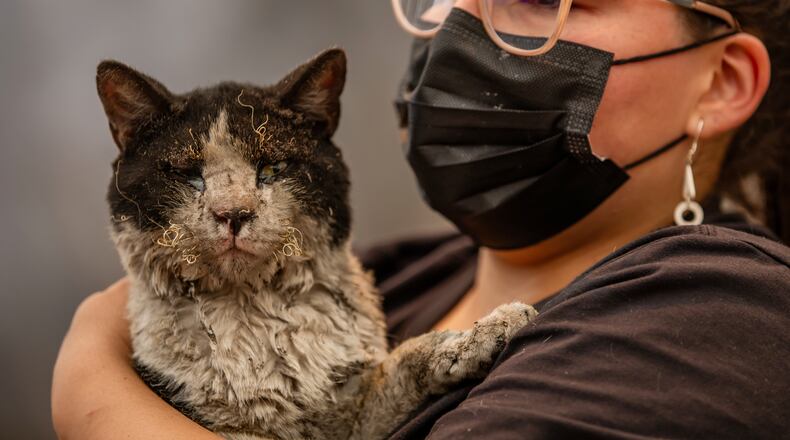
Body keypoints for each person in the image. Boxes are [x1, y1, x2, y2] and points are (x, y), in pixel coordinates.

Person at [52, 0, 789, 438]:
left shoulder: (727, 316)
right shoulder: (390, 277)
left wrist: (91, 385)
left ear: (720, 83)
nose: (456, 30)